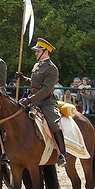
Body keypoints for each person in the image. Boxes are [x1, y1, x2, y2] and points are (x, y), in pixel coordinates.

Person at [15, 38, 67, 167]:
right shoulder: (37, 65)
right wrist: (22, 79)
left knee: (54, 124)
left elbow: (45, 90)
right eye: (36, 51)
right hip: (33, 100)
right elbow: (34, 84)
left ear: (46, 52)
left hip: (47, 102)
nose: (35, 53)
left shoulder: (52, 69)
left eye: (38, 51)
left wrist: (29, 100)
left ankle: (62, 154)